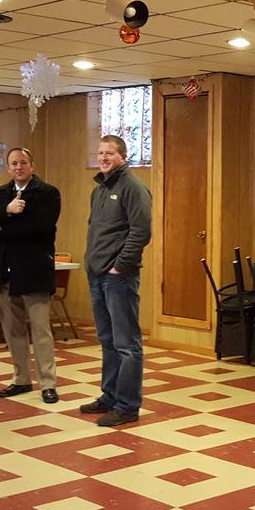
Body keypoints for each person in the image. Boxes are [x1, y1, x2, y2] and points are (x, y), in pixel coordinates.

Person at [0, 147, 62, 404]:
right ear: (8, 168)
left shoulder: (47, 193)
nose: (18, 167)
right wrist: (6, 211)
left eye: (23, 162)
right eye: (13, 163)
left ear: (31, 166)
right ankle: (21, 379)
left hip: (34, 271)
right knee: (13, 330)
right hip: (5, 271)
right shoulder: (1, 194)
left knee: (40, 331)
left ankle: (48, 384)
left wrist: (4, 226)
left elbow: (40, 227)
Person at [80, 134, 152, 427]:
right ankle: (109, 396)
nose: (103, 158)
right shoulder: (99, 190)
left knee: (126, 344)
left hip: (118, 278)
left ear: (123, 156)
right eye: (100, 153)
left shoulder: (133, 187)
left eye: (109, 153)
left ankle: (127, 406)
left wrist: (119, 267)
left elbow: (141, 231)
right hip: (97, 275)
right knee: (107, 341)